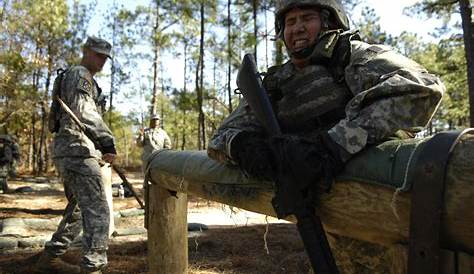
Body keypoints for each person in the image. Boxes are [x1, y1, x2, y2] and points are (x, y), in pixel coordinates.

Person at [207, 0, 443, 268]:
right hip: (324, 220)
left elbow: (422, 88)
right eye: (290, 22)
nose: (297, 28)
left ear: (330, 21)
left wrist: (333, 145)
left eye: (306, 18)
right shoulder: (276, 82)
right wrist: (247, 148)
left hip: (383, 210)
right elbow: (221, 137)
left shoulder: (354, 56)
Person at [34, 36, 116, 274]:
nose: (102, 61)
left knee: (80, 208)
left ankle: (50, 256)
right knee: (99, 211)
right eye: (98, 55)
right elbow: (84, 112)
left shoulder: (74, 75)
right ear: (87, 51)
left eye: (105, 58)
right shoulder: (81, 74)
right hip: (76, 150)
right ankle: (93, 268)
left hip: (69, 150)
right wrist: (108, 142)